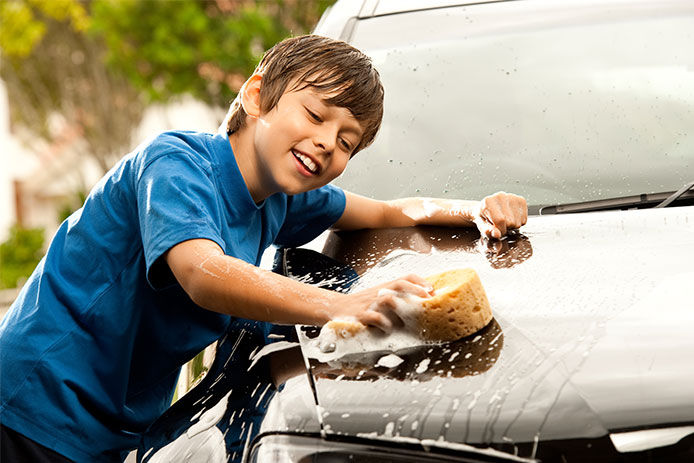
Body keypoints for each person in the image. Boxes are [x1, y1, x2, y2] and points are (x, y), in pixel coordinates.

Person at [0, 34, 527, 462]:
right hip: (34, 406)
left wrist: (477, 210)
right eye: (316, 116)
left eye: (347, 142)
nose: (327, 143)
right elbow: (203, 272)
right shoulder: (177, 165)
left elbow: (391, 212)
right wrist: (339, 306)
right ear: (256, 97)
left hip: (116, 424)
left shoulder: (279, 201)